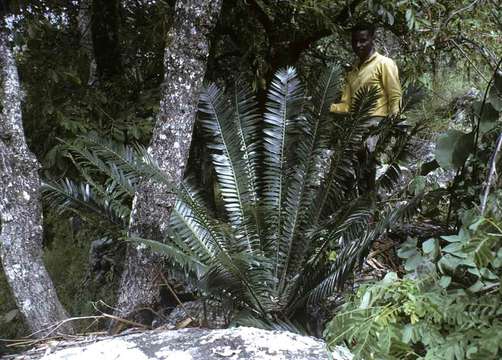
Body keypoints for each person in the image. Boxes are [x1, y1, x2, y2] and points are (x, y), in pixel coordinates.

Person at [331, 22, 403, 193]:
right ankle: (352, 206)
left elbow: (395, 95)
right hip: (356, 124)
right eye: (354, 41)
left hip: (376, 123)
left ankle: (368, 208)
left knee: (366, 159)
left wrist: (393, 123)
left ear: (372, 39)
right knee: (343, 164)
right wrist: (325, 105)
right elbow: (346, 106)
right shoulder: (352, 71)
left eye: (363, 40)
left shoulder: (384, 63)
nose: (358, 45)